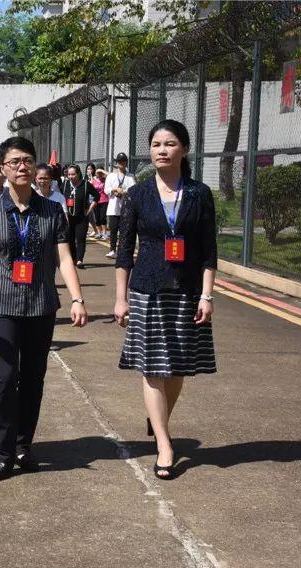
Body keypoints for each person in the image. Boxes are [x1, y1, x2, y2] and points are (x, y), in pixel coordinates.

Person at [0, 136, 88, 482]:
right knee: (4, 378)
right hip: (1, 305)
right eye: (14, 161)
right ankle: (1, 453)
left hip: (40, 304)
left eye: (27, 160)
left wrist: (78, 298)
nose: (22, 166)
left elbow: (64, 257)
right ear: (3, 169)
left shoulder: (53, 210)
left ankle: (23, 446)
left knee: (34, 378)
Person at [113, 119, 217, 480]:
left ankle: (158, 420)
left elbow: (208, 251)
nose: (162, 150)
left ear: (183, 150)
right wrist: (120, 298)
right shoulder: (138, 195)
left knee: (177, 367)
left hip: (188, 290)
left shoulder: (200, 194)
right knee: (153, 367)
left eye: (170, 143)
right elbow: (124, 250)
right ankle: (164, 444)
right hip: (147, 289)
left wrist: (207, 294)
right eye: (156, 144)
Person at [60, 164, 94, 268]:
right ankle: (74, 258)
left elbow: (97, 196)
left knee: (80, 238)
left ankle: (80, 260)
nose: (70, 177)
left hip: (81, 218)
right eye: (69, 174)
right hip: (68, 218)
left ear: (78, 174)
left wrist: (89, 209)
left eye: (73, 174)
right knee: (70, 239)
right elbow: (59, 198)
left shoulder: (85, 184)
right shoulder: (65, 184)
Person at [105, 152, 136, 259]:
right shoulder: (111, 176)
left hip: (126, 207)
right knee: (113, 229)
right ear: (116, 163)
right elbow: (106, 190)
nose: (121, 163)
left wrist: (124, 192)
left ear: (126, 162)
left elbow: (133, 190)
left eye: (123, 161)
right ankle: (112, 250)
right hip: (113, 208)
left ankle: (122, 250)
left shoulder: (130, 176)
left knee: (124, 230)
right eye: (119, 161)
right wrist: (114, 190)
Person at [90, 167, 109, 240]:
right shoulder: (93, 181)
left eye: (101, 173)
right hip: (96, 201)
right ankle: (99, 233)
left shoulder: (106, 180)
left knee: (102, 217)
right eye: (98, 173)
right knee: (97, 218)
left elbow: (110, 175)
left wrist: (102, 170)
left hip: (104, 200)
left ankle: (104, 233)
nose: (99, 174)